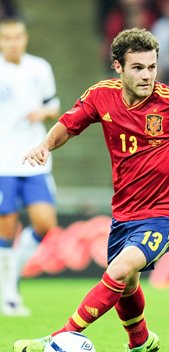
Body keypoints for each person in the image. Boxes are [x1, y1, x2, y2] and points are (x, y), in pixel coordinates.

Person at [13, 27, 169, 352]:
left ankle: (58, 338)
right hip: (124, 213)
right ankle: (140, 341)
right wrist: (44, 146)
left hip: (165, 214)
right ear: (118, 67)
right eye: (138, 67)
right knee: (126, 285)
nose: (147, 75)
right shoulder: (101, 96)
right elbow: (68, 124)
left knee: (121, 268)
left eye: (152, 67)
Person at [0, 18, 60, 316]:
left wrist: (45, 112)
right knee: (6, 228)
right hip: (3, 161)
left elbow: (54, 104)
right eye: (7, 38)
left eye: (17, 36)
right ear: (1, 41)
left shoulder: (40, 68)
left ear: (25, 38)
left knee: (45, 222)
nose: (13, 42)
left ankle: (9, 282)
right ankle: (9, 293)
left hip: (35, 159)